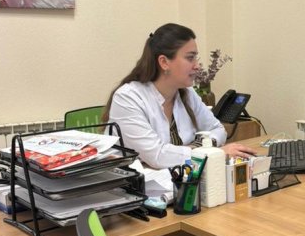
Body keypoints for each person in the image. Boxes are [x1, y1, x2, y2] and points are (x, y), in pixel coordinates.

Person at [103, 23, 255, 169]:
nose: (197, 66)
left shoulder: (186, 92)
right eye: (190, 58)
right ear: (164, 62)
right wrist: (214, 153)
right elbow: (157, 156)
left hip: (180, 177)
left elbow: (218, 129)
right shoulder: (128, 98)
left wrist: (196, 149)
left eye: (195, 58)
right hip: (137, 184)